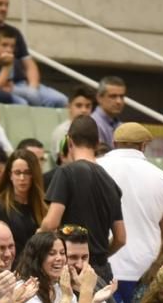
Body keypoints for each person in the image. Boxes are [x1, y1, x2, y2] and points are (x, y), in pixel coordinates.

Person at [99, 122, 163, 303]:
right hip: (146, 269)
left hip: (103, 267)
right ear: (144, 146)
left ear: (114, 143)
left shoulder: (95, 168)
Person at [40, 116, 124, 282]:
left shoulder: (66, 173)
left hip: (72, 272)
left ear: (69, 141)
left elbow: (51, 223)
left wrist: (35, 238)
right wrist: (98, 255)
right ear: (98, 142)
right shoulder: (111, 182)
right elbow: (121, 237)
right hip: (101, 273)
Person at [0, 0, 66, 108]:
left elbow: (29, 65)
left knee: (61, 100)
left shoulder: (14, 32)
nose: (4, 8)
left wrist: (33, 87)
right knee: (25, 102)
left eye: (6, 5)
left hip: (22, 83)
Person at [0, 149, 45, 267]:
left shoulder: (44, 205)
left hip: (40, 270)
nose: (22, 178)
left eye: (27, 172)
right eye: (17, 173)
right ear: (10, 175)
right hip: (10, 270)